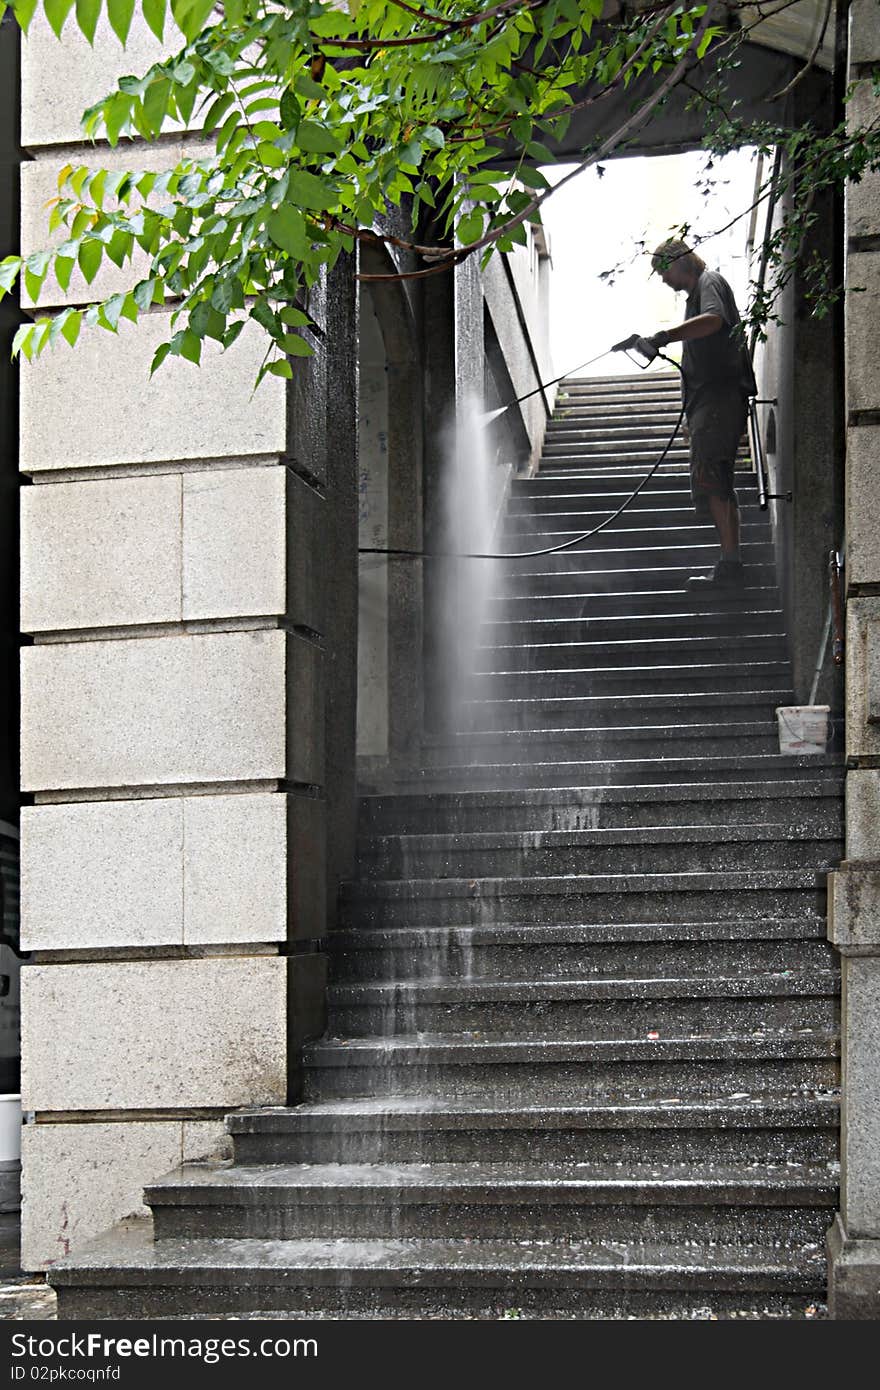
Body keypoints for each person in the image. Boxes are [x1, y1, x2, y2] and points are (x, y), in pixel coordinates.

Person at [628, 240, 757, 590]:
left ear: (681, 261)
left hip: (718, 398)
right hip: (711, 401)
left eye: (664, 271)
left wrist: (665, 336)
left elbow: (714, 321)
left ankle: (731, 566)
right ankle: (730, 562)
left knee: (715, 480)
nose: (664, 280)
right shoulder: (698, 293)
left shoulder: (709, 281)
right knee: (717, 481)